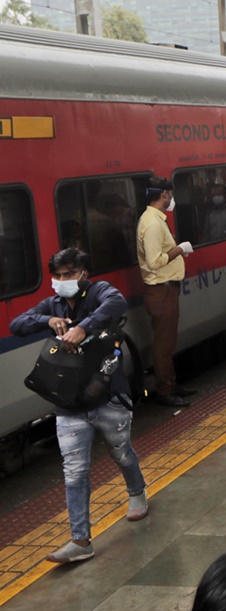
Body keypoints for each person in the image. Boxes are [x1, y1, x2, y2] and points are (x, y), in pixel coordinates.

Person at [10, 248, 150, 563]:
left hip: (107, 395)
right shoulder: (53, 304)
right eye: (57, 276)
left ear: (83, 273)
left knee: (121, 452)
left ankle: (137, 491)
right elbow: (18, 324)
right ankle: (80, 541)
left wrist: (84, 326)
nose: (62, 281)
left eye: (69, 274)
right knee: (74, 471)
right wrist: (49, 319)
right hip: (68, 402)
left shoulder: (99, 291)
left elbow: (117, 302)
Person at [136, 175, 194, 407]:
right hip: (161, 292)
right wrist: (179, 249)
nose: (172, 198)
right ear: (164, 194)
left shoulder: (155, 218)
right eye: (170, 194)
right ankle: (165, 391)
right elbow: (154, 261)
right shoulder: (152, 223)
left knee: (167, 342)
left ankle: (171, 383)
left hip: (166, 291)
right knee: (163, 344)